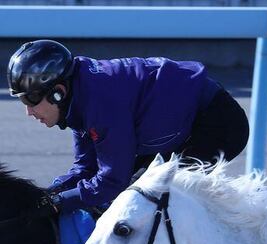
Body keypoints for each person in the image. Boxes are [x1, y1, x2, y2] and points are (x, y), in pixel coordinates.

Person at [7, 39, 250, 217]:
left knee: (144, 200)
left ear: (58, 93)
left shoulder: (99, 103)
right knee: (131, 191)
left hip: (217, 126)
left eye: (30, 101)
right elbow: (86, 168)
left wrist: (59, 203)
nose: (28, 112)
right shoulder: (77, 91)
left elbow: (111, 181)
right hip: (183, 122)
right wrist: (47, 196)